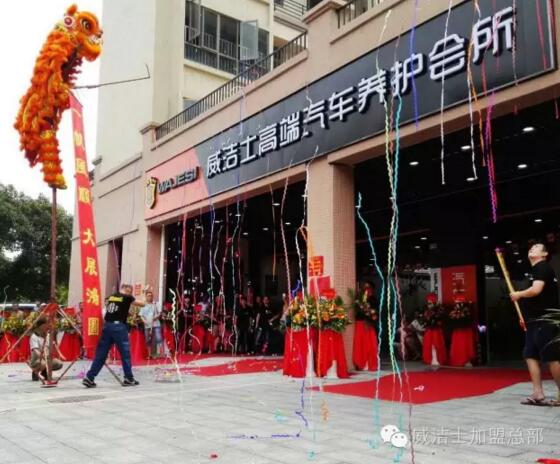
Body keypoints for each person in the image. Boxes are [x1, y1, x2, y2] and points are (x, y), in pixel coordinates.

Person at [510, 243, 560, 406]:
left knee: (551, 356)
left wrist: (518, 294)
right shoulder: (535, 270)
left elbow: (536, 290)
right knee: (530, 354)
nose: (532, 248)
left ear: (544, 254)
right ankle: (538, 393)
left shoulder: (542, 267)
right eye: (531, 247)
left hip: (544, 319)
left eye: (537, 247)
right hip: (534, 320)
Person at [82, 284, 145, 388]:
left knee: (101, 353)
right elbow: (142, 304)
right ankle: (129, 378)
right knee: (125, 353)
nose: (131, 293)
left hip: (107, 326)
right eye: (131, 291)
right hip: (119, 327)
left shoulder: (112, 297)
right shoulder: (127, 297)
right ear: (128, 290)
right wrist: (143, 293)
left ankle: (89, 377)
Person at [139, 290, 164, 359]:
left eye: (151, 296)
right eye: (148, 296)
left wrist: (156, 317)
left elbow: (159, 313)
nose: (150, 297)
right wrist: (145, 321)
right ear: (146, 297)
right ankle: (149, 355)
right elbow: (141, 315)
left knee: (159, 338)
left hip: (156, 324)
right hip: (147, 325)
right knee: (148, 340)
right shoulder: (143, 305)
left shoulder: (155, 304)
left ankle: (162, 353)